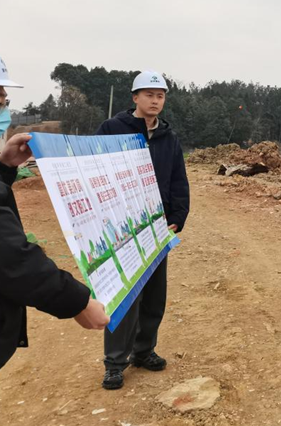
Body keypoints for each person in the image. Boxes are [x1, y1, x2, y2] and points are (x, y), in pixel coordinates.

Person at [0, 36, 109, 426]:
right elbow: (13, 261)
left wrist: (2, 166)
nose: (2, 114)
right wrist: (79, 302)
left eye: (4, 103)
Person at [97, 71, 190, 390]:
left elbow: (178, 180)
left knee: (153, 295)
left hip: (156, 227)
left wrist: (177, 217)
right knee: (125, 295)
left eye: (160, 95)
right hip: (122, 228)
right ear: (135, 97)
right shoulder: (112, 130)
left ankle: (144, 350)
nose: (155, 100)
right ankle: (114, 362)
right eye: (149, 94)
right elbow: (94, 172)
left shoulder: (168, 137)